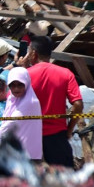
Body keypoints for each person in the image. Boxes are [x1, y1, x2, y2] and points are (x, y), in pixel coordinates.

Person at [24, 34, 83, 168]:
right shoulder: (66, 73)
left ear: (33, 53)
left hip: (30, 138)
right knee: (63, 183)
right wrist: (69, 131)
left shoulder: (25, 75)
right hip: (58, 139)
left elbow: (11, 102)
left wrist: (21, 68)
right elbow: (78, 105)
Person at [0, 66, 43, 160]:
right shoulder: (12, 98)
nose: (16, 89)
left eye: (20, 85)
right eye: (12, 85)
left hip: (26, 152)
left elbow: (12, 123)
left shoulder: (30, 101)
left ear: (27, 83)